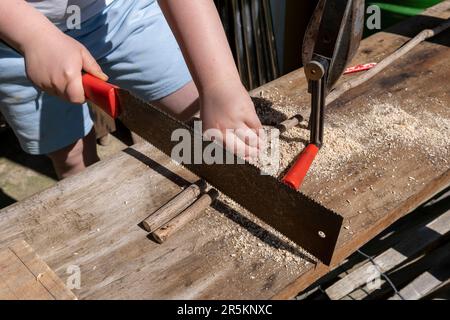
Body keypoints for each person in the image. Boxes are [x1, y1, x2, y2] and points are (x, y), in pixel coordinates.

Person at [0, 0, 263, 179]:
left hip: (120, 14)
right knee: (72, 157)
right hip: (13, 42)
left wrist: (219, 83)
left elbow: (217, 97)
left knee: (210, 118)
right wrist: (33, 34)